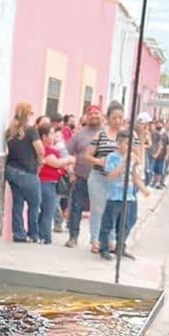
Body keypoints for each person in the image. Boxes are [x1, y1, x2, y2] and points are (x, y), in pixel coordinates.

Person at [98, 131, 151, 261]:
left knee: (126, 223)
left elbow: (135, 176)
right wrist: (123, 163)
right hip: (114, 196)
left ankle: (120, 247)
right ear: (119, 144)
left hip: (129, 196)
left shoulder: (132, 158)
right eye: (127, 143)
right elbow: (110, 176)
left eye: (131, 143)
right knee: (108, 224)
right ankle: (104, 248)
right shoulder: (112, 157)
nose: (130, 146)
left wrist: (143, 189)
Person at [83, 102, 125, 254]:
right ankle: (95, 239)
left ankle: (111, 240)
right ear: (108, 118)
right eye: (114, 118)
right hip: (99, 178)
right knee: (97, 209)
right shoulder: (101, 134)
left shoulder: (126, 135)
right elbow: (87, 155)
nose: (117, 121)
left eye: (120, 117)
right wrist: (99, 161)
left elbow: (135, 154)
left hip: (117, 181)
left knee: (113, 211)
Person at [5, 102, 45, 243]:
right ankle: (33, 234)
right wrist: (40, 160)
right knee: (35, 204)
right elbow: (40, 149)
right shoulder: (31, 131)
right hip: (27, 172)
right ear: (27, 114)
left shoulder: (9, 131)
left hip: (11, 171)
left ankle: (19, 234)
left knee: (18, 203)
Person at [64, 105, 103, 248]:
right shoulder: (79, 135)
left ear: (101, 115)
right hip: (81, 178)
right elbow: (66, 154)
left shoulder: (108, 133)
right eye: (91, 114)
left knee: (99, 210)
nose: (93, 116)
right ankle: (73, 237)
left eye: (96, 114)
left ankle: (96, 239)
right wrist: (71, 172)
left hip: (101, 180)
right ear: (87, 116)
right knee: (76, 209)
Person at [37, 124, 72, 243]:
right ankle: (45, 237)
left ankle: (42, 235)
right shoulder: (44, 150)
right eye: (51, 134)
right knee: (48, 210)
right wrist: (69, 159)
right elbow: (55, 163)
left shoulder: (51, 149)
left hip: (51, 182)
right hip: (46, 182)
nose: (53, 137)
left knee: (47, 210)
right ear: (44, 136)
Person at [149, 122, 167, 189]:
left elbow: (161, 146)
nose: (151, 127)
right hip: (150, 155)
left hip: (158, 156)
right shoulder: (149, 134)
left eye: (152, 126)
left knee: (157, 171)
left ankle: (154, 184)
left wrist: (157, 154)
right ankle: (151, 183)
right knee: (150, 170)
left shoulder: (159, 135)